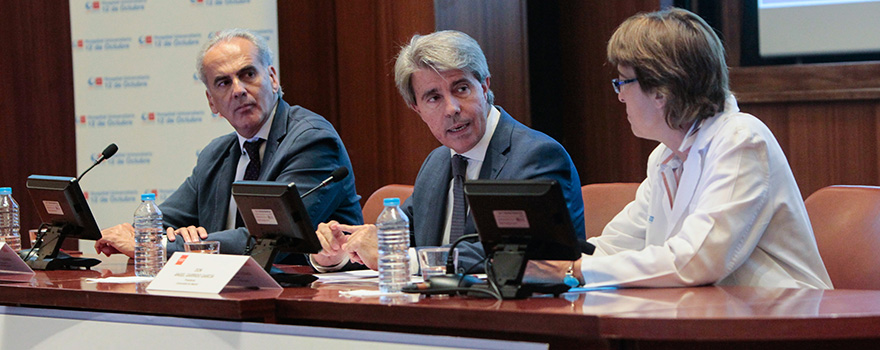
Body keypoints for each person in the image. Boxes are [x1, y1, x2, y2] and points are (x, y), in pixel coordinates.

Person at [527, 8, 832, 289]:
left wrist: (574, 271)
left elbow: (696, 260)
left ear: (661, 91)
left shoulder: (741, 140)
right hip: (715, 317)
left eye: (623, 83)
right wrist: (544, 260)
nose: (620, 97)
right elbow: (618, 243)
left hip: (788, 319)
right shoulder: (665, 156)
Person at [311, 30, 585, 272]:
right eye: (434, 98)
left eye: (461, 88)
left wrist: (401, 258)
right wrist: (339, 251)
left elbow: (521, 256)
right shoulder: (438, 162)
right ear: (416, 108)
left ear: (485, 86)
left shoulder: (536, 155)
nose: (452, 108)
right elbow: (401, 240)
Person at [95, 29, 362, 262]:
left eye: (248, 74)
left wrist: (155, 246)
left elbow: (271, 238)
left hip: (307, 299)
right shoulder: (217, 154)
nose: (238, 90)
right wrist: (135, 234)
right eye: (223, 82)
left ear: (272, 78)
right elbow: (166, 220)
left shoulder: (312, 140)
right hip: (229, 295)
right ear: (212, 102)